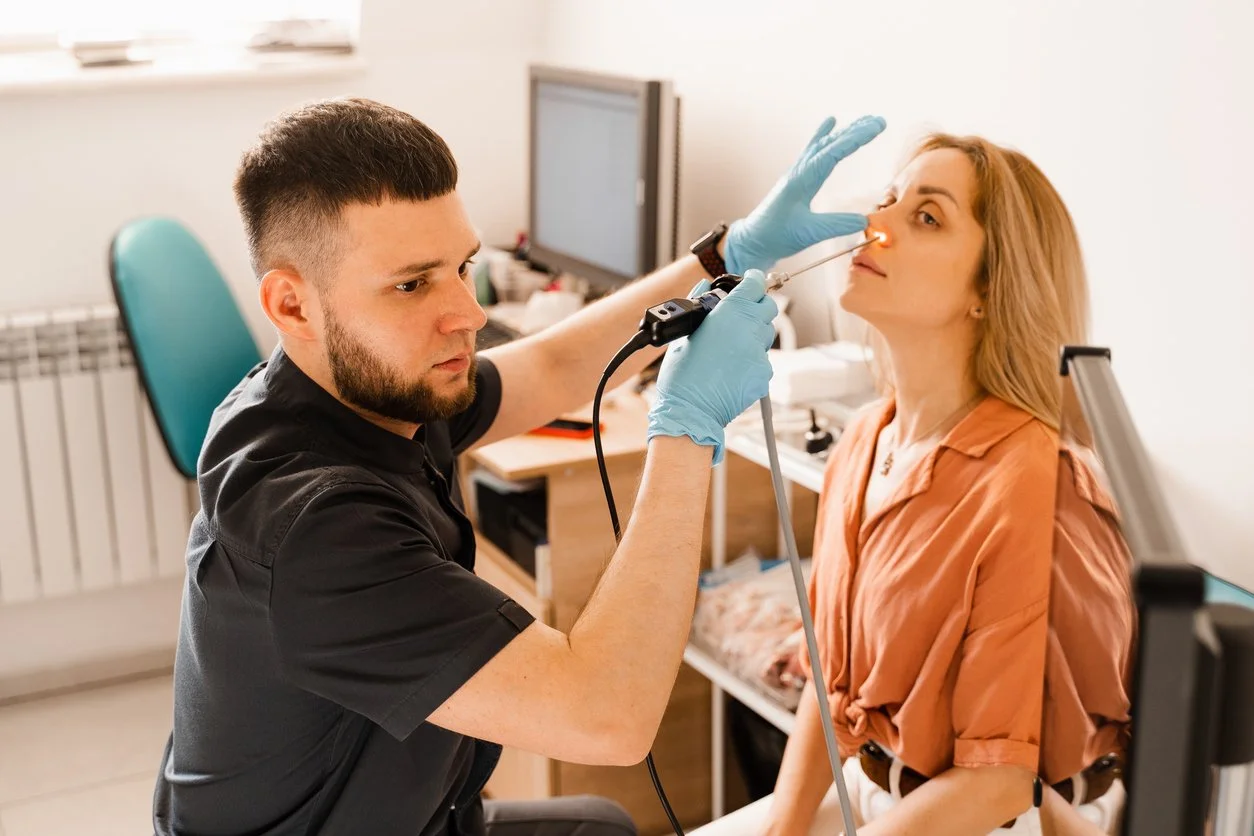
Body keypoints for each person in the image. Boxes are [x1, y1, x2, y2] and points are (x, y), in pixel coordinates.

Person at [150, 97, 887, 836]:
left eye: (461, 267)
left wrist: (723, 258)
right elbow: (608, 717)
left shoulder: (357, 388)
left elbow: (554, 365)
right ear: (293, 306)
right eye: (411, 285)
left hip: (418, 811)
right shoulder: (313, 527)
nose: (467, 314)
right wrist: (685, 427)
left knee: (600, 827)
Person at [697, 133, 1127, 836]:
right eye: (889, 200)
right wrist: (783, 829)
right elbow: (829, 680)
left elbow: (998, 783)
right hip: (883, 790)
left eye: (927, 217)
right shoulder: (867, 438)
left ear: (988, 288)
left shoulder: (1032, 481)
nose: (876, 223)